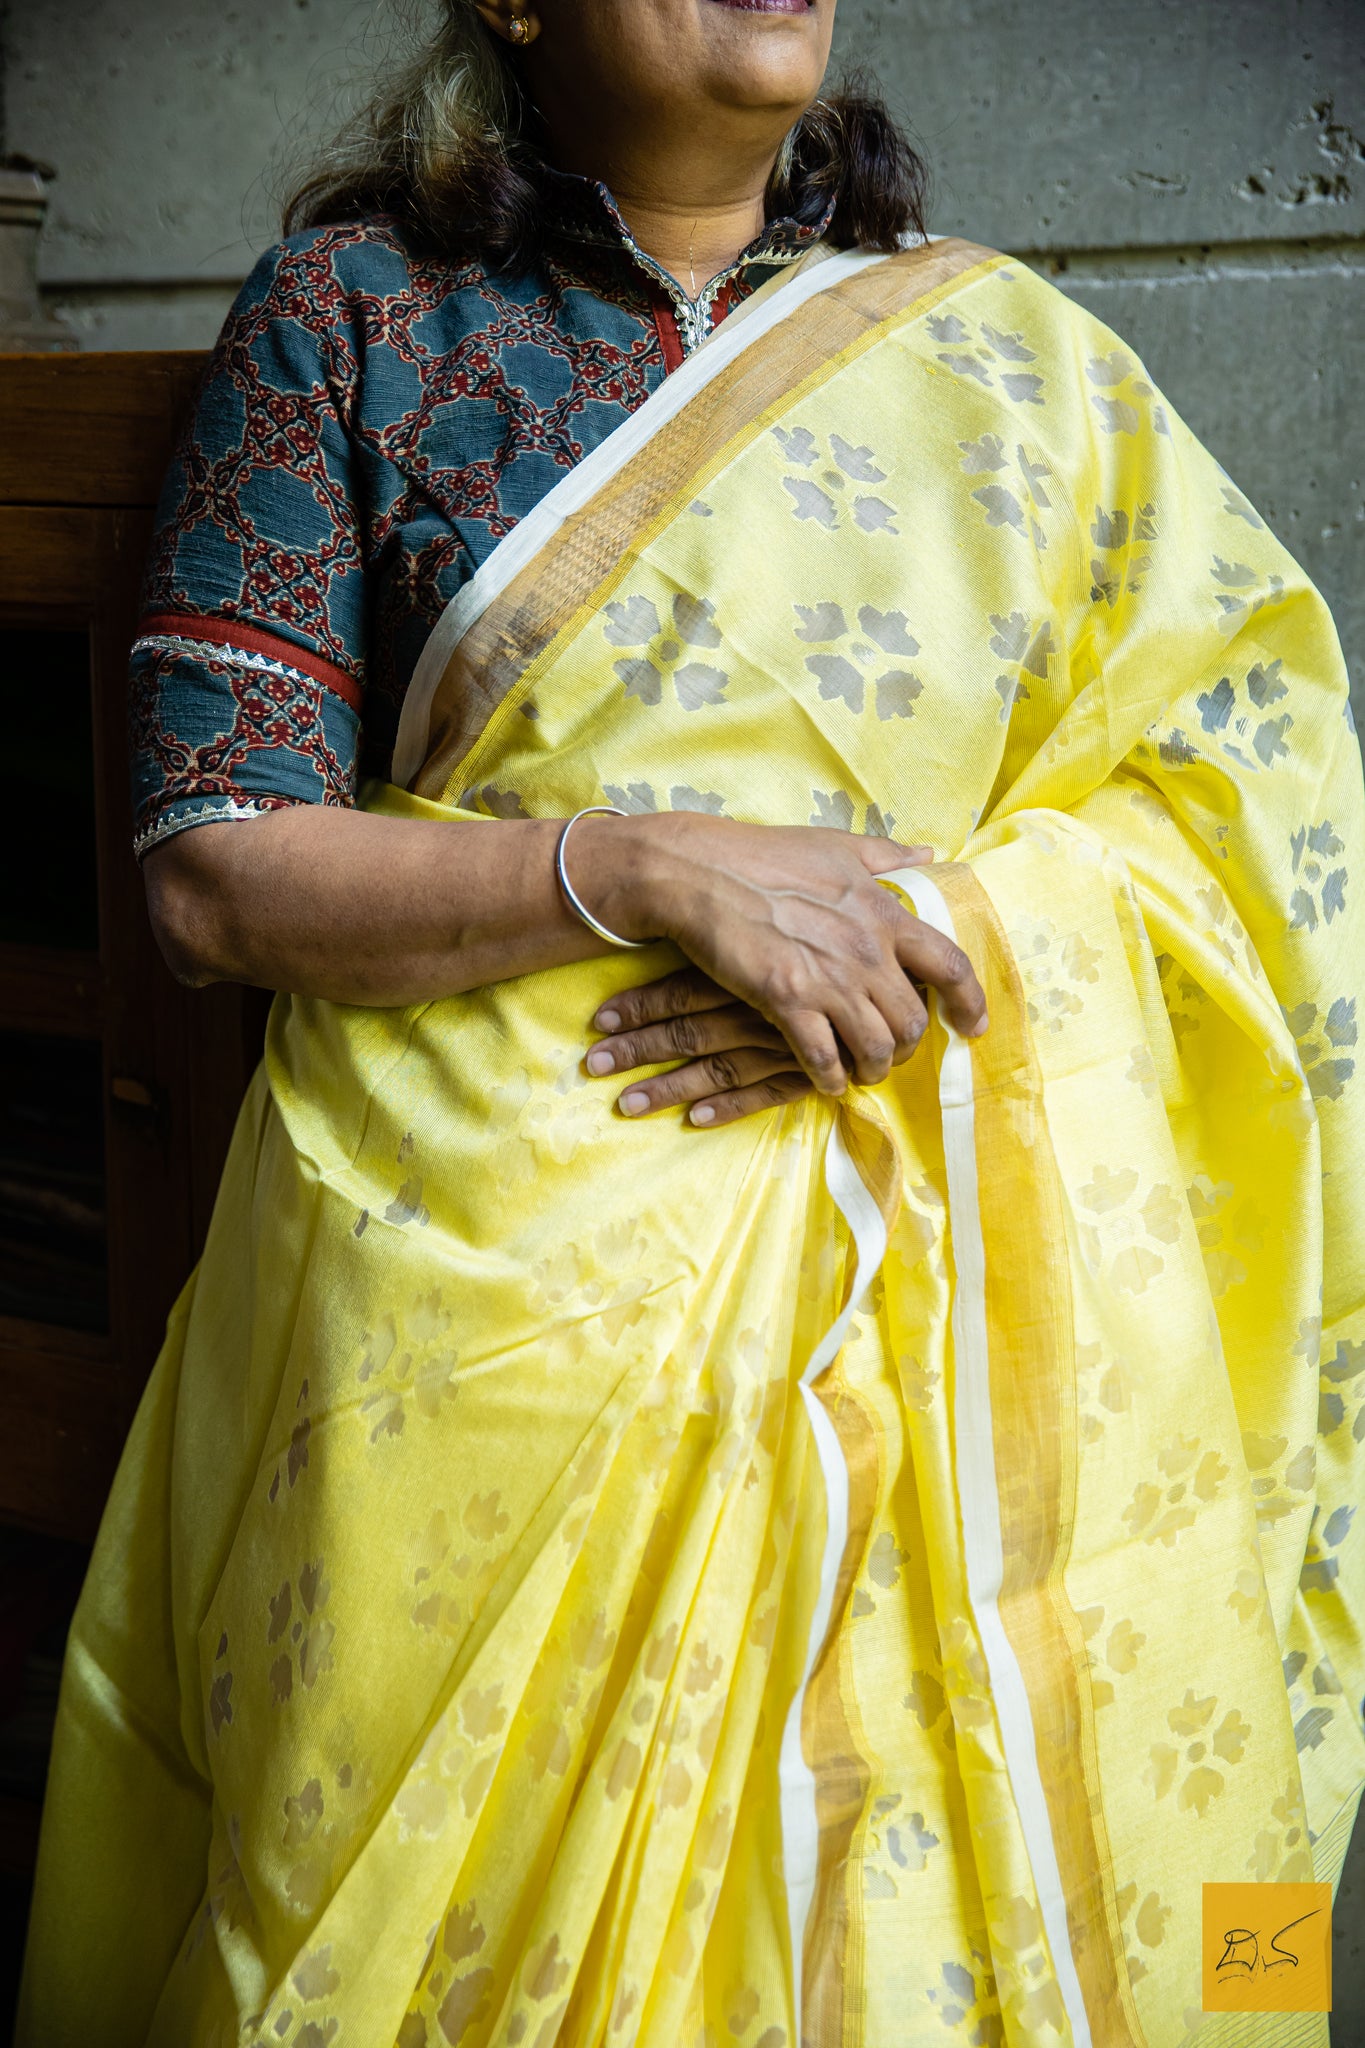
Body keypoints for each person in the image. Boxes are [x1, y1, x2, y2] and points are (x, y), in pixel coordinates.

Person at [19, 1, 1365, 2043]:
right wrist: (633, 867)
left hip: (964, 1286)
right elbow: (215, 866)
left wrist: (927, 921)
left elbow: (1244, 789)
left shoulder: (992, 356)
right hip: (476, 1334)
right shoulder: (357, 313)